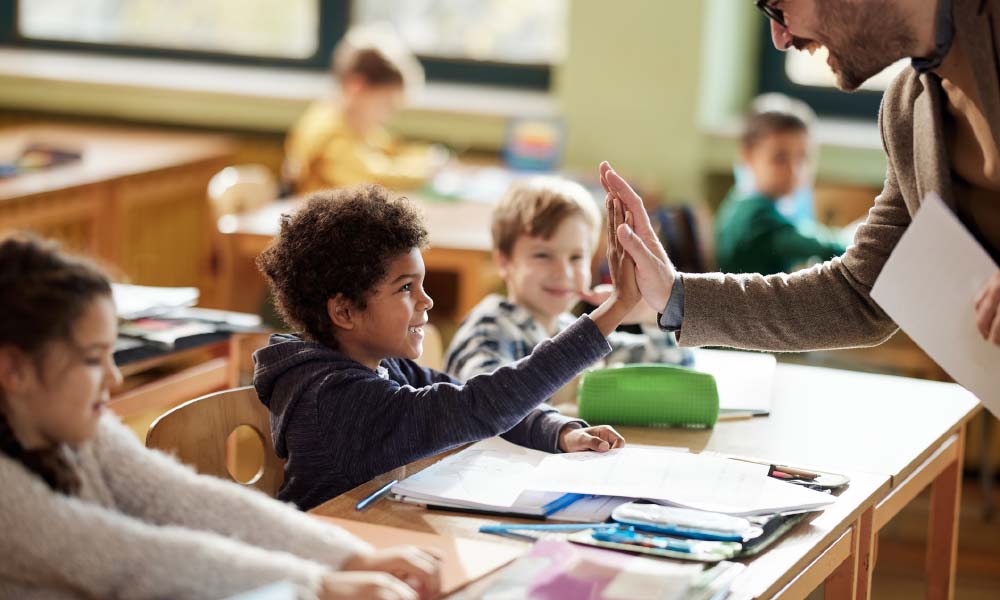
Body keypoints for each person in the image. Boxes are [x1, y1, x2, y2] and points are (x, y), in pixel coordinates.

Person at [0, 233, 442, 600]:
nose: (114, 378)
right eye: (93, 359)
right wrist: (320, 584)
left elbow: (187, 499)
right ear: (14, 370)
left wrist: (350, 557)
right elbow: (131, 557)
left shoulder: (82, 432)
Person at [603, 0, 1000, 353]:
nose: (780, 37)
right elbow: (860, 292)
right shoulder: (906, 109)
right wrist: (677, 295)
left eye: (779, 6)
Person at [253, 185, 637, 511]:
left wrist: (558, 431)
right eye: (406, 287)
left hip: (381, 539)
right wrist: (614, 309)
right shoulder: (338, 400)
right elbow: (479, 407)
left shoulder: (381, 365)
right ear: (345, 311)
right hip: (336, 561)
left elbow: (479, 399)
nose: (427, 301)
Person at [445, 176, 691, 389]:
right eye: (543, 255)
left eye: (576, 257)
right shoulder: (489, 329)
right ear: (504, 262)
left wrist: (650, 316)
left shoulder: (569, 330)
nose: (563, 272)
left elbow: (675, 368)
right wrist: (561, 429)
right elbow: (488, 404)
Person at [285, 24, 445, 194]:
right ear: (357, 86)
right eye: (387, 104)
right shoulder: (328, 134)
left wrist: (429, 157)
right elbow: (374, 180)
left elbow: (391, 149)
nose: (388, 116)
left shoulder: (352, 123)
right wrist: (427, 170)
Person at [715, 101, 847, 274]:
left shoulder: (744, 199)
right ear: (747, 156)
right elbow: (830, 249)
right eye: (780, 158)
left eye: (803, 158)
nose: (794, 171)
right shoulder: (757, 218)